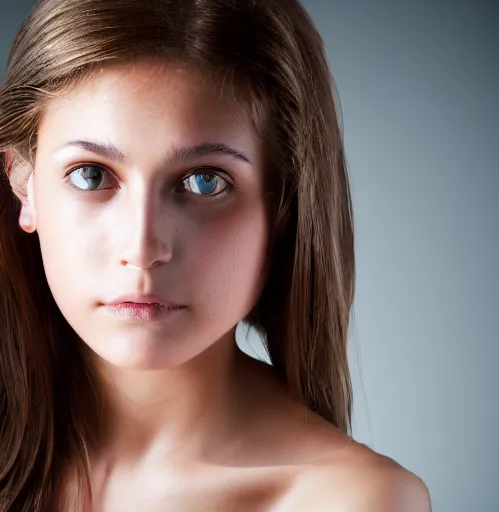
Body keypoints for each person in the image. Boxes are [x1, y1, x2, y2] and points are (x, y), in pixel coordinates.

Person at [0, 0, 431, 510]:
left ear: (285, 205)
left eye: (205, 182)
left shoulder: (350, 500)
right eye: (90, 174)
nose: (141, 249)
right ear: (23, 185)